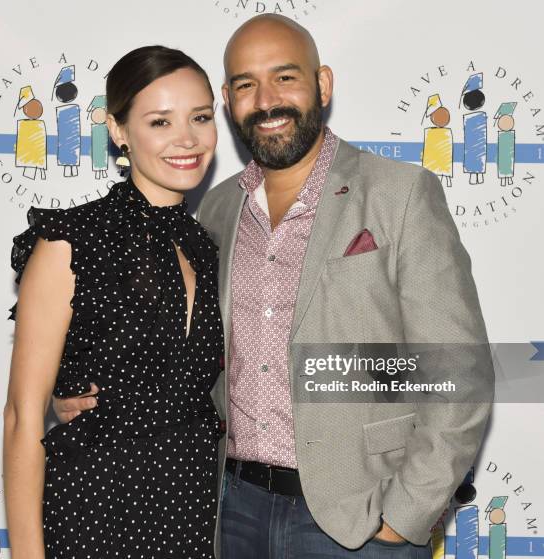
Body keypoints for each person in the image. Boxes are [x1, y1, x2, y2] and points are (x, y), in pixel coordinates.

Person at [55, 15, 494, 559]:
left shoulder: (399, 194)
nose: (266, 100)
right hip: (229, 510)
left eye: (285, 77)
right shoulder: (214, 210)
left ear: (322, 84)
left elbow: (456, 370)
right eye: (245, 84)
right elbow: (184, 355)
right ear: (228, 100)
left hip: (355, 523)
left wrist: (403, 517)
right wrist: (86, 391)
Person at [3, 45, 224, 559]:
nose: (186, 139)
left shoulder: (207, 244)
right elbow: (21, 416)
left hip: (190, 510)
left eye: (200, 117)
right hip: (94, 510)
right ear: (119, 131)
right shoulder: (70, 241)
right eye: (160, 122)